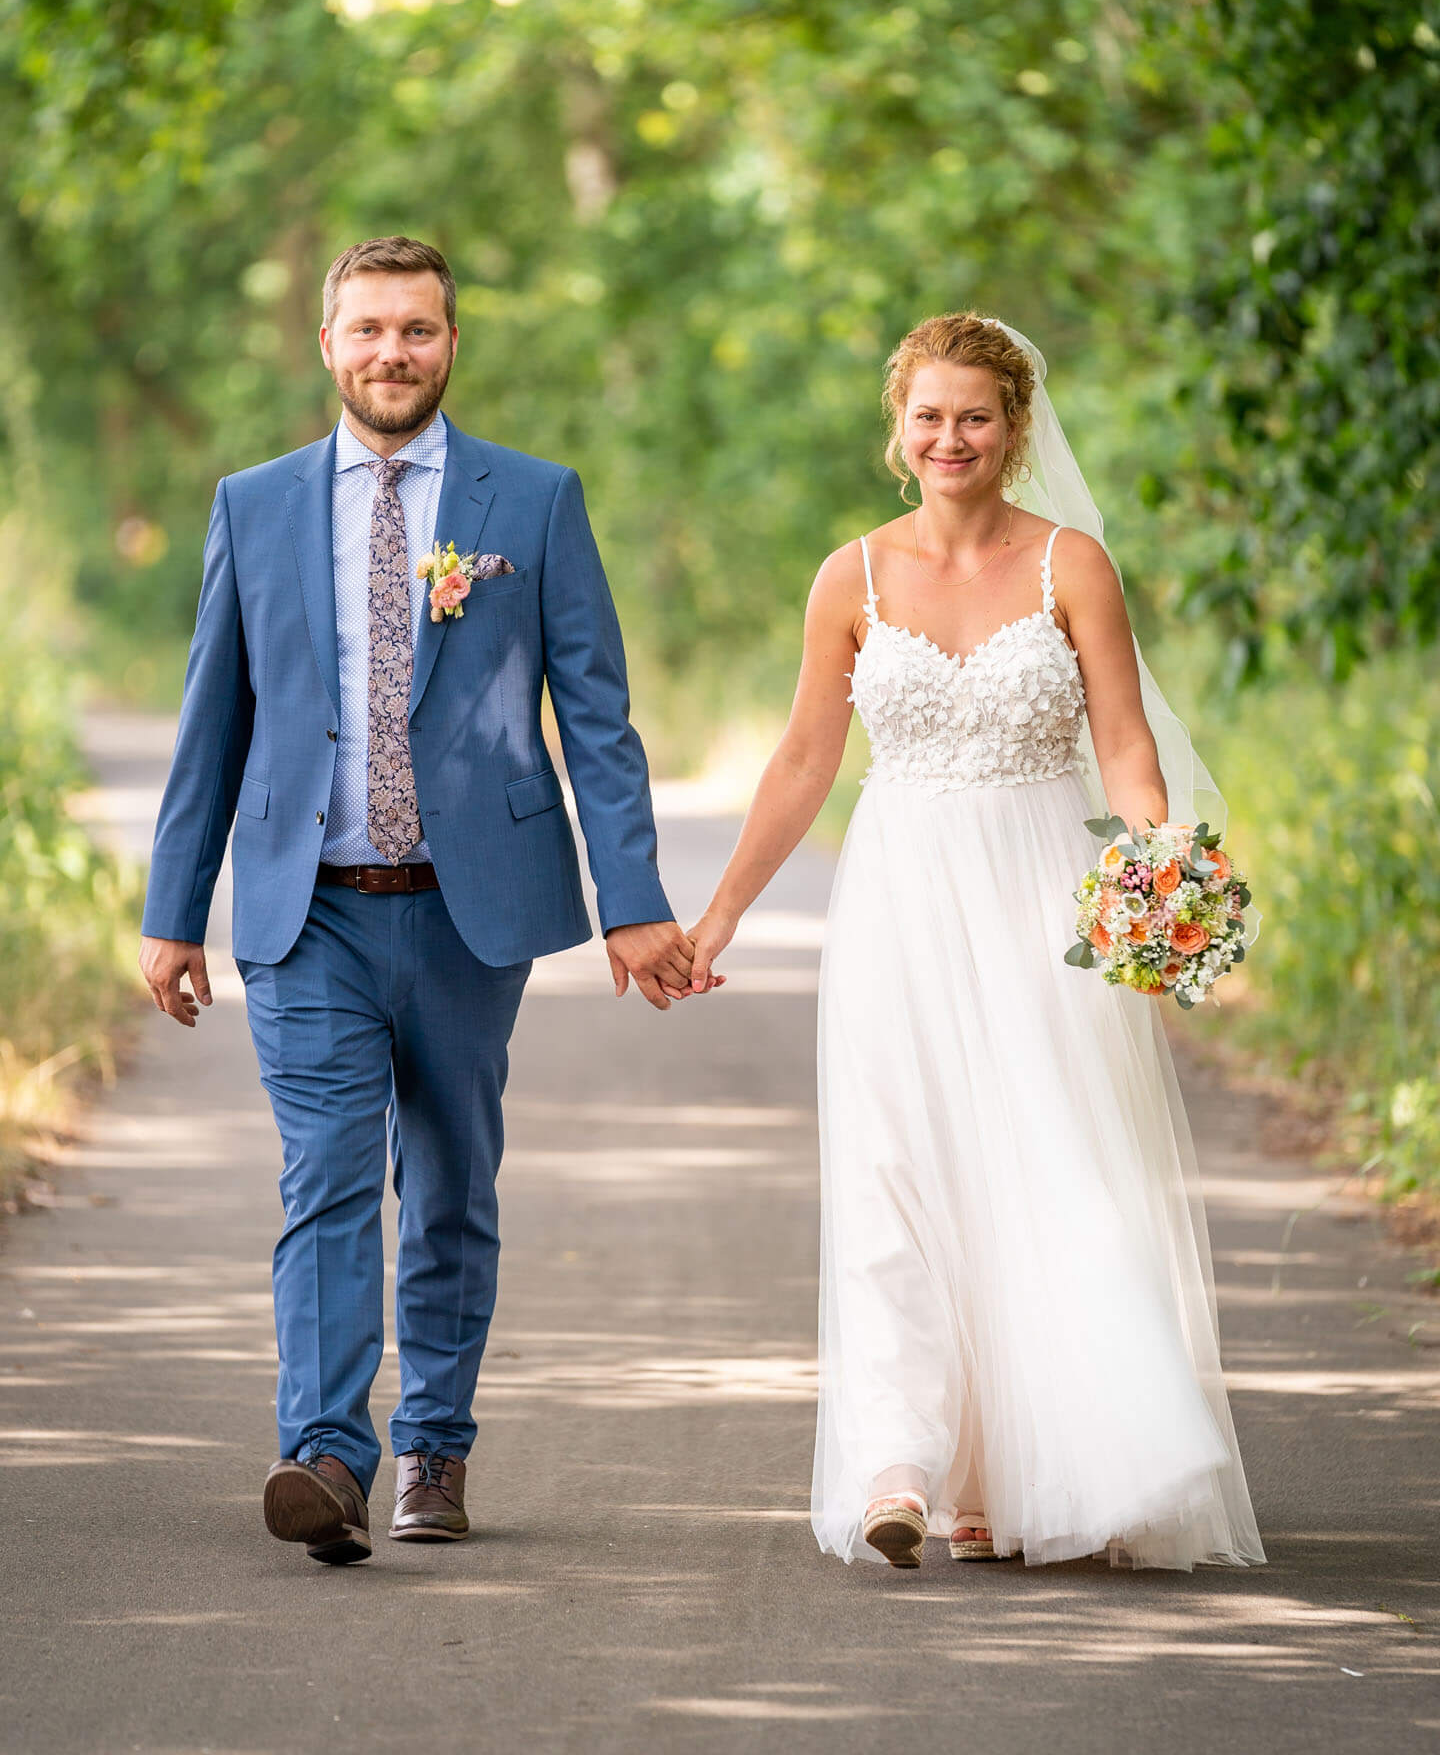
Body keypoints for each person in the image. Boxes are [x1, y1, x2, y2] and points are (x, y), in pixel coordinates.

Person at [139, 235, 697, 1564]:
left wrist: (634, 897)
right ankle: (327, 1454)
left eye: (419, 331)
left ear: (453, 344)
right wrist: (174, 909)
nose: (393, 352)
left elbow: (599, 719)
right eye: (370, 330)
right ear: (328, 345)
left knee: (447, 1178)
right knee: (326, 1175)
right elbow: (211, 722)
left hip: (466, 913)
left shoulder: (534, 502)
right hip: (307, 908)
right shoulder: (255, 503)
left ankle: (435, 1446)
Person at [686, 313, 1264, 1571]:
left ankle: (1029, 1471)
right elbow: (804, 758)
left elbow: (1124, 742)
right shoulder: (853, 575)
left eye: (977, 417)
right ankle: (901, 1464)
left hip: (1042, 890)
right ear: (898, 426)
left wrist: (1154, 873)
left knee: (1047, 1165)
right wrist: (720, 912)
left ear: (1015, 429)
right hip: (898, 895)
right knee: (899, 1170)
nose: (951, 439)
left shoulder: (1073, 566)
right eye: (929, 416)